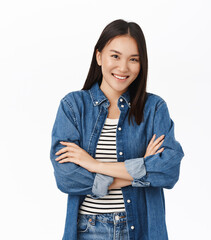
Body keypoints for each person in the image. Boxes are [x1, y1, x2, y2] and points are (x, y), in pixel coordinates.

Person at [50, 19, 184, 240]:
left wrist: (94, 165)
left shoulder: (154, 108)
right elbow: (67, 179)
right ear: (99, 56)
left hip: (141, 229)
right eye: (115, 56)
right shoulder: (73, 106)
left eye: (133, 59)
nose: (123, 68)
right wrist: (143, 171)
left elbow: (168, 170)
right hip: (89, 229)